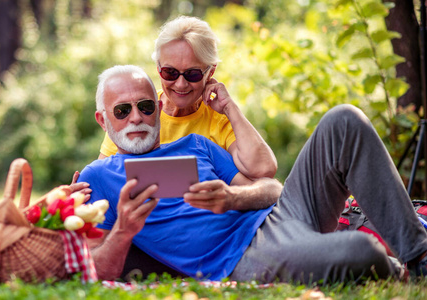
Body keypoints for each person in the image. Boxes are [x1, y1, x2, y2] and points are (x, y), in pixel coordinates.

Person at [79, 64, 427, 284]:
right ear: (103, 120)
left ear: (157, 108)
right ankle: (397, 270)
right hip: (241, 257)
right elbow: (96, 269)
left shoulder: (196, 146)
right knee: (359, 251)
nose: (136, 117)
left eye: (144, 106)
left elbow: (272, 188)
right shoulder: (98, 177)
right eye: (122, 110)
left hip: (281, 215)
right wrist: (124, 230)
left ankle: (420, 256)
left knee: (344, 120)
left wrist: (232, 197)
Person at [97, 15, 277, 180]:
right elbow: (105, 174)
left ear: (211, 71)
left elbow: (263, 169)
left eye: (192, 74)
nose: (181, 84)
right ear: (158, 68)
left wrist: (230, 108)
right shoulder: (139, 112)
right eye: (170, 72)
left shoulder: (220, 118)